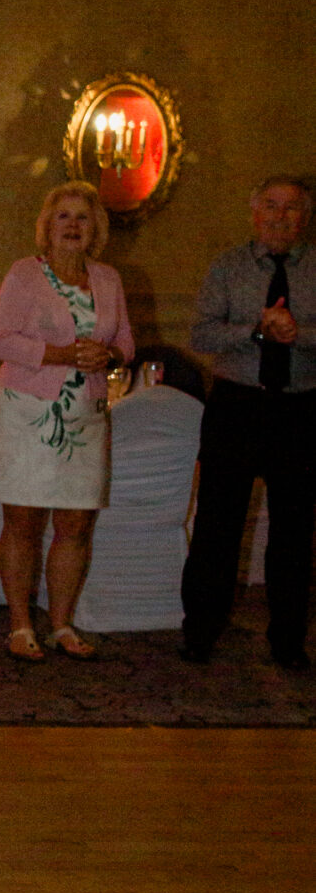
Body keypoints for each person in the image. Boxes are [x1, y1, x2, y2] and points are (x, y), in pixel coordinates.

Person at [0, 182, 134, 661]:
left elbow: (126, 344)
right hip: (28, 413)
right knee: (23, 522)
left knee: (75, 524)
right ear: (46, 228)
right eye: (63, 217)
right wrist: (62, 354)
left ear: (95, 230)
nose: (72, 225)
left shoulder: (108, 279)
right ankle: (21, 624)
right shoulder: (24, 275)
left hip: (85, 415)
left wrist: (106, 354)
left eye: (82, 218)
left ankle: (61, 623)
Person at [182, 173, 316, 671]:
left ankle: (287, 641)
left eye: (293, 208)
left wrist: (296, 333)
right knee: (218, 525)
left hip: (301, 410)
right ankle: (199, 631)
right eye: (272, 207)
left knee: (294, 532)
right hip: (237, 406)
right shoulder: (228, 267)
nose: (282, 217)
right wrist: (257, 330)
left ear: (305, 217)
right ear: (255, 213)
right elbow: (202, 333)